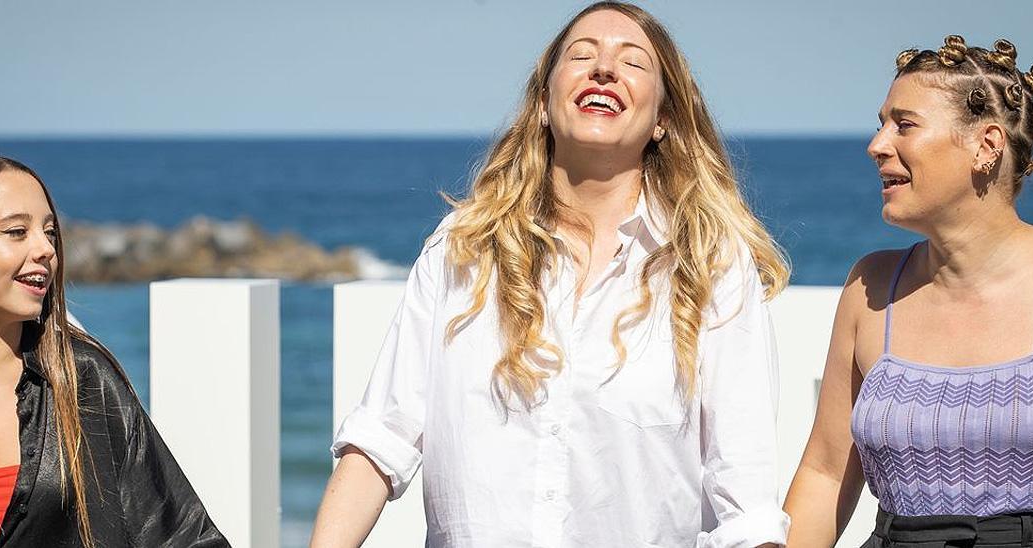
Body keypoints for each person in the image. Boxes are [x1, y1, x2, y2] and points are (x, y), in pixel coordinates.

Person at [311, 2, 791, 547]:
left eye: (633, 62)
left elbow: (745, 498)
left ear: (663, 119)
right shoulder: (462, 250)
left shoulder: (711, 266)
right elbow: (381, 440)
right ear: (543, 103)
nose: (604, 68)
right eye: (581, 55)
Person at [784, 36, 1033, 547]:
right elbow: (824, 475)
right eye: (881, 122)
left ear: (986, 145)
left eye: (904, 124)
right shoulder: (870, 286)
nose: (877, 144)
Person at [0, 155, 229, 547]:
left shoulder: (82, 379)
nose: (46, 249)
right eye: (17, 232)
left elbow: (185, 537)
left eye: (50, 232)